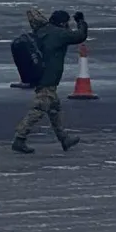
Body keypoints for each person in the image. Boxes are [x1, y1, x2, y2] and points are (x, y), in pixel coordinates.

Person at [13, 10, 87, 154]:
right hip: (47, 79)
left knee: (54, 110)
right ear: (62, 23)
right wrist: (81, 22)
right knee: (39, 109)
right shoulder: (59, 34)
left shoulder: (43, 31)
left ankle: (64, 139)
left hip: (40, 75)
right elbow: (79, 36)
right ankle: (19, 139)